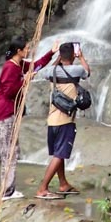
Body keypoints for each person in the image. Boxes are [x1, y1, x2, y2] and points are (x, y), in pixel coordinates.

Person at [0, 40, 58, 200]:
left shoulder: (18, 65)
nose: (29, 50)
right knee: (10, 151)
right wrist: (26, 80)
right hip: (5, 113)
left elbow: (36, 66)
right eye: (26, 48)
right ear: (18, 51)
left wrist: (51, 53)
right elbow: (9, 91)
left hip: (0, 112)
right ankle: (7, 191)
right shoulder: (10, 67)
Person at [34, 42, 90, 200]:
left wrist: (58, 58)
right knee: (59, 155)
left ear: (60, 56)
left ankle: (63, 184)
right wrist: (82, 57)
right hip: (65, 120)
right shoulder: (76, 69)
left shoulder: (50, 71)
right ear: (73, 55)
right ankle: (42, 189)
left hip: (51, 120)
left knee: (59, 153)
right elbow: (87, 72)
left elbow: (47, 70)